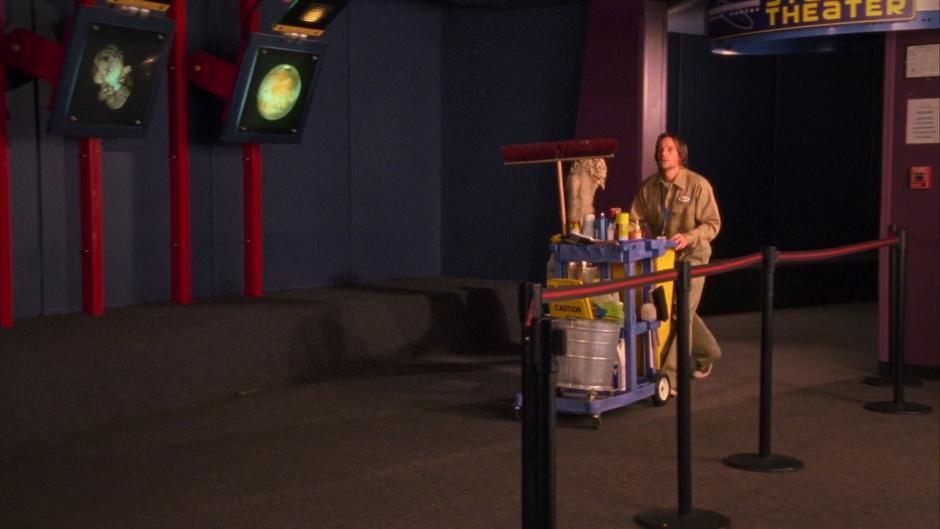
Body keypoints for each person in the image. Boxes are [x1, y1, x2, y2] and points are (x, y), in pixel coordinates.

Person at [629, 132, 721, 393]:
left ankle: (671, 376)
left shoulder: (698, 185)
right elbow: (634, 220)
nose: (663, 153)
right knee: (677, 311)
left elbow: (713, 225)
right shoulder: (648, 188)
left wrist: (689, 237)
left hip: (694, 257)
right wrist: (631, 233)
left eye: (669, 149)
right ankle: (709, 353)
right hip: (665, 259)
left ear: (680, 155)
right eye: (660, 149)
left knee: (683, 312)